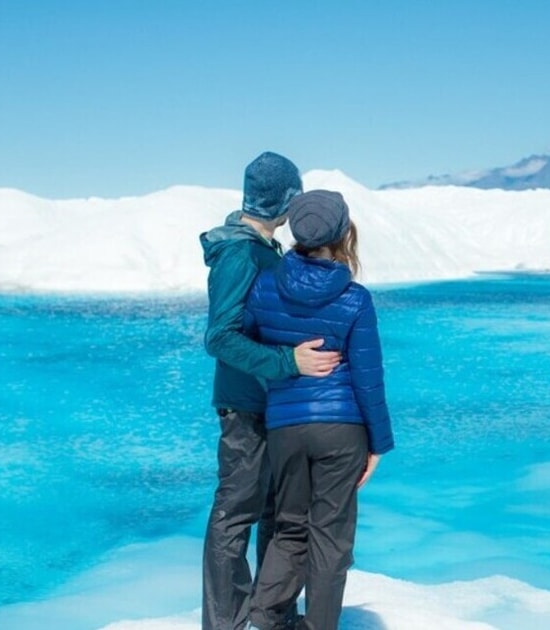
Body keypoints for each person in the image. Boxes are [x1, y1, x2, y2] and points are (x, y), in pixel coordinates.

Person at [200, 152, 342, 630]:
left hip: (270, 404)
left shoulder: (264, 248)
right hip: (245, 407)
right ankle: (226, 624)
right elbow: (219, 337)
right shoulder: (240, 252)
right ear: (284, 199)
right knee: (235, 512)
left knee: (273, 514)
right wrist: (288, 362)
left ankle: (269, 617)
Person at [243, 190, 395, 630]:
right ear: (344, 233)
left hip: (285, 428)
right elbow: (369, 377)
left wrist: (286, 361)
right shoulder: (355, 298)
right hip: (342, 430)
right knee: (330, 540)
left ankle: (264, 618)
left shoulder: (264, 286)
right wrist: (378, 443)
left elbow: (251, 345)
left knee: (290, 529)